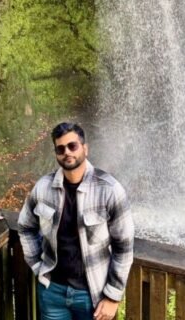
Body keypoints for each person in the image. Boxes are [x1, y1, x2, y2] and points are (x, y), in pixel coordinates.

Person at [17, 122, 134, 320]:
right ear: (56, 153)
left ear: (84, 148)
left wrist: (113, 296)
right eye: (60, 148)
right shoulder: (43, 188)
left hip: (92, 295)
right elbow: (25, 227)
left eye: (73, 146)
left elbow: (124, 247)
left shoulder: (109, 190)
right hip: (52, 292)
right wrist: (38, 266)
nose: (67, 152)